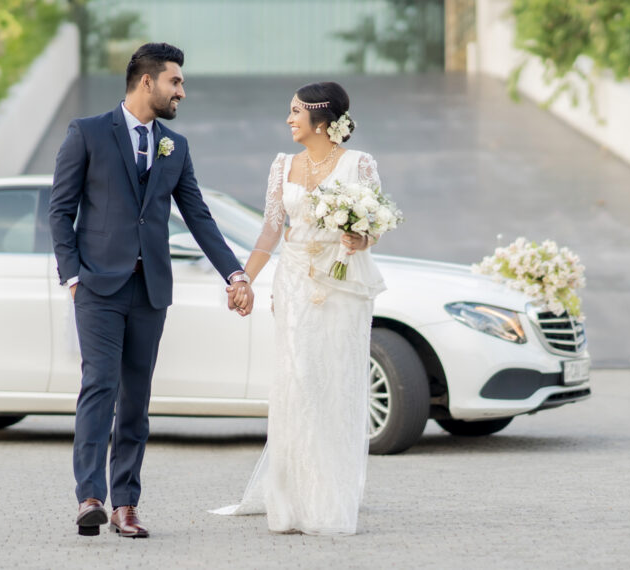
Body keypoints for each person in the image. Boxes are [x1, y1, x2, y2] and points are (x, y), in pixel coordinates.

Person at [49, 42, 254, 539]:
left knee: (136, 400)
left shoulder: (174, 147)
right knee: (99, 386)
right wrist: (73, 277)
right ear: (147, 82)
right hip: (98, 287)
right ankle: (90, 498)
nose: (182, 91)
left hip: (150, 291)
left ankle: (126, 505)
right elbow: (60, 209)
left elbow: (199, 216)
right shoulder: (87, 132)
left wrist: (235, 274)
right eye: (175, 81)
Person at [213, 81, 386, 535]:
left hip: (341, 282)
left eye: (295, 112)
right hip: (293, 279)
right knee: (297, 379)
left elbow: (375, 226)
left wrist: (361, 238)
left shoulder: (359, 165)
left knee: (335, 380)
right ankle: (291, 501)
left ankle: (329, 496)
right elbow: (270, 231)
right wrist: (243, 278)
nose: (289, 119)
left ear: (321, 120)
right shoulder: (282, 165)